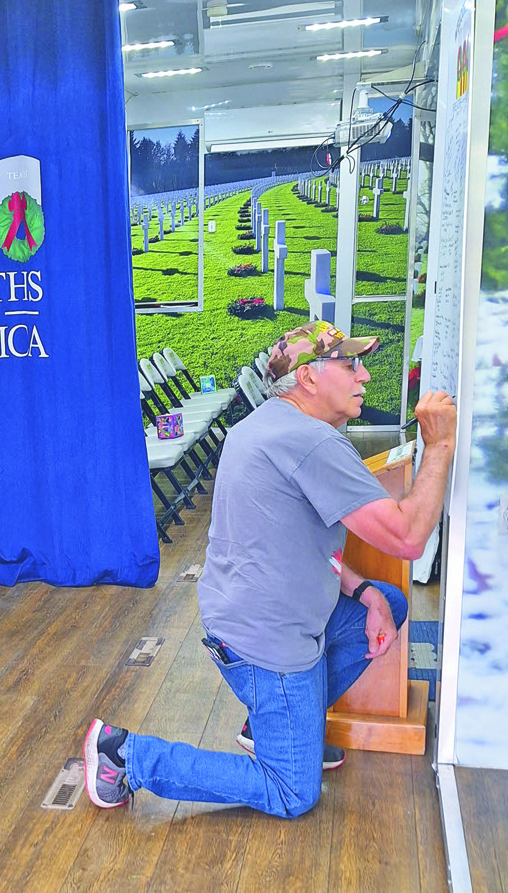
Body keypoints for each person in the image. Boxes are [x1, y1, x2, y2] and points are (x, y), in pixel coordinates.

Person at [85, 320, 456, 818]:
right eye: (349, 365)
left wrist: (364, 591)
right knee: (292, 792)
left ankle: (268, 728)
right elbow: (408, 537)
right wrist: (440, 446)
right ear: (307, 378)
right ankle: (126, 756)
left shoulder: (263, 424)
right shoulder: (312, 443)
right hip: (268, 642)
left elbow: (298, 541)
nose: (364, 376)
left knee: (387, 602)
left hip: (237, 622)